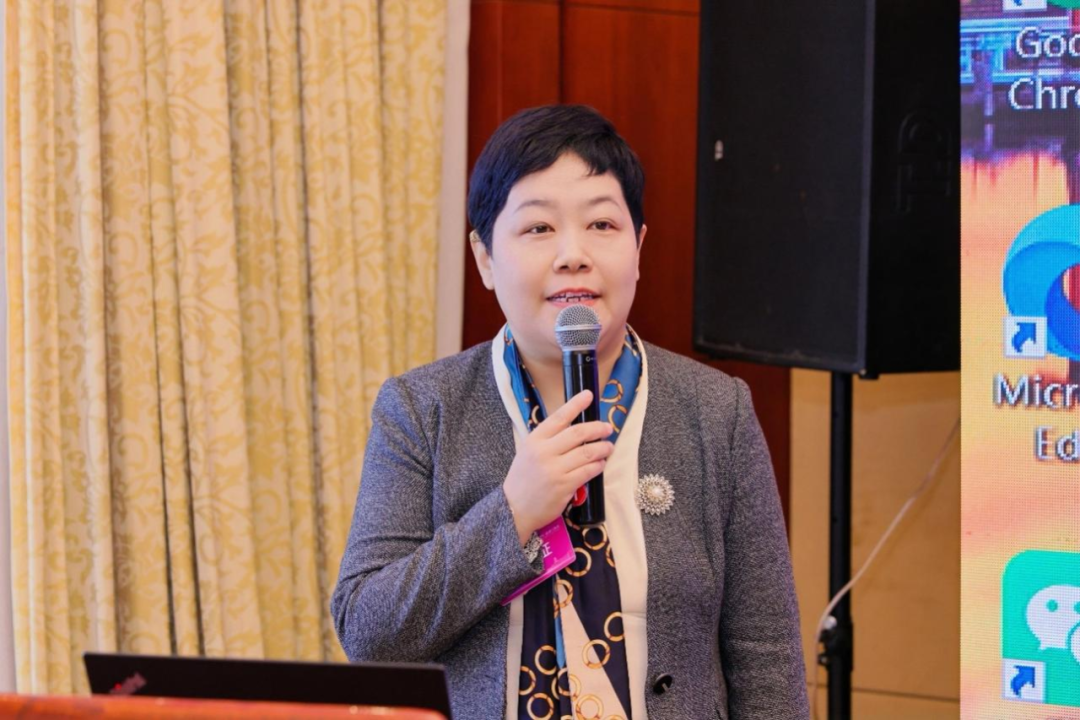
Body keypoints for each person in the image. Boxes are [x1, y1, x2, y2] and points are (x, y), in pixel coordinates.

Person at [331, 104, 809, 720]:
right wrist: (512, 515)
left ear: (638, 247)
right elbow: (367, 632)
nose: (573, 254)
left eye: (602, 224)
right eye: (538, 228)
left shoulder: (717, 412)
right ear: (484, 258)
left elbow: (766, 657)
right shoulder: (423, 410)